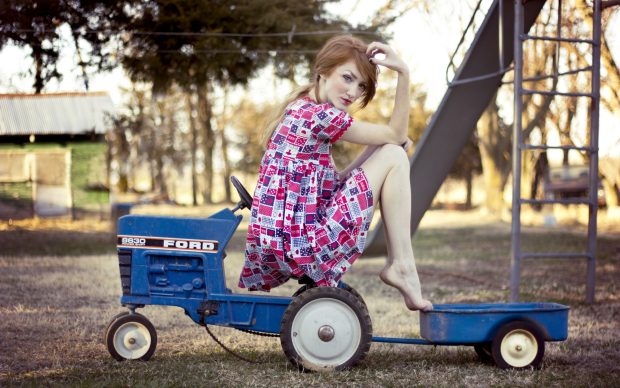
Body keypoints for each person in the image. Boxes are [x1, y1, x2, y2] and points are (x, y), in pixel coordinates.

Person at [238, 35, 432, 311]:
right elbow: (397, 133)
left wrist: (377, 150)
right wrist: (403, 72)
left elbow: (336, 183)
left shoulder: (302, 108)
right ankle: (401, 264)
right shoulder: (320, 117)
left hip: (292, 242)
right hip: (304, 246)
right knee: (395, 153)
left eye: (361, 85)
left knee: (390, 151)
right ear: (324, 71)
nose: (353, 92)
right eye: (348, 77)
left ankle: (401, 264)